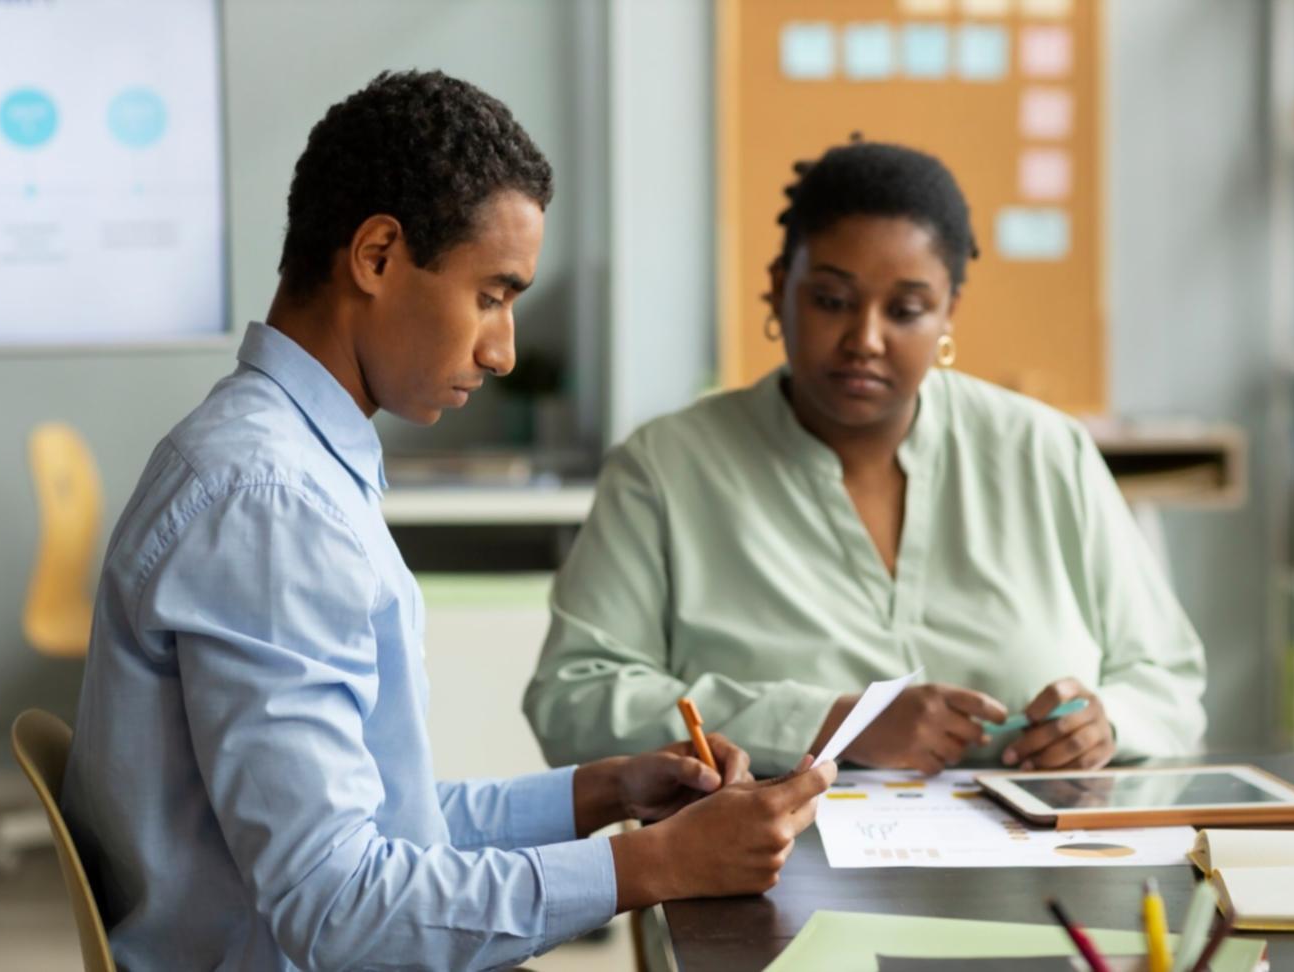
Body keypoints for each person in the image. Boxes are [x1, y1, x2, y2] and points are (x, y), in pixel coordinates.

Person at [61, 70, 833, 972]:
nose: (502, 349)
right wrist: (653, 866)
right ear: (378, 256)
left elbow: (391, 822)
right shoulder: (270, 503)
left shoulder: (286, 466)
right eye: (492, 296)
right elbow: (337, 906)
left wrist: (607, 791)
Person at [525, 139, 1207, 780]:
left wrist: (1106, 723)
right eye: (831, 300)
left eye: (907, 310)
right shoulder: (666, 468)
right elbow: (573, 700)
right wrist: (825, 724)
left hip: (1036, 873)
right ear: (776, 288)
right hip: (769, 875)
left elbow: (1169, 679)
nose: (866, 340)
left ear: (949, 314)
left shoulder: (1046, 452)